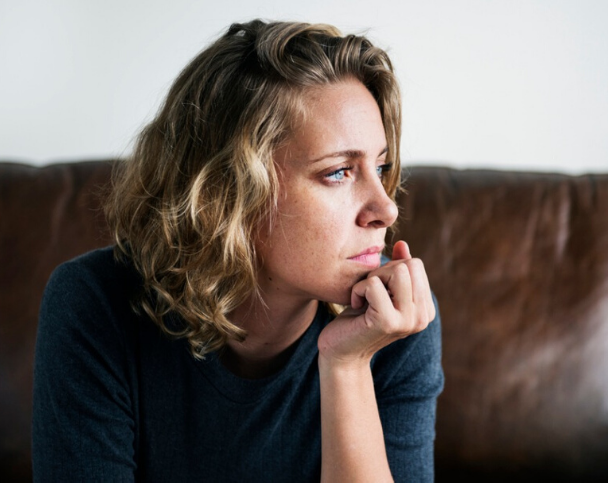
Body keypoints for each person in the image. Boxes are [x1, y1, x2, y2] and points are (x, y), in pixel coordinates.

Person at [32, 19, 443, 482]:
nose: (385, 208)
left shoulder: (395, 321)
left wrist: (346, 365)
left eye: (382, 166)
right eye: (338, 172)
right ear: (228, 192)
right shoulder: (94, 304)